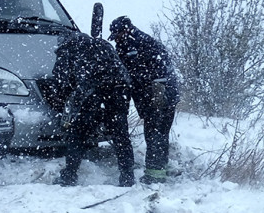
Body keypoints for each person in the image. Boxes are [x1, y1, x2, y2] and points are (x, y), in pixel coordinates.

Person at [48, 31, 134, 187]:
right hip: (120, 90)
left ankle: (69, 175)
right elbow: (121, 71)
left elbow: (62, 80)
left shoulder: (67, 49)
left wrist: (61, 100)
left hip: (95, 91)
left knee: (78, 133)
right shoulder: (103, 44)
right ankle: (128, 176)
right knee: (120, 134)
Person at [109, 16, 180, 184]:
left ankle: (154, 175)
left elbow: (138, 74)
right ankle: (161, 167)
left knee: (154, 132)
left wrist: (155, 95)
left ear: (125, 31)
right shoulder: (137, 42)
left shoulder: (136, 44)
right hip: (165, 95)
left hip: (159, 96)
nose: (116, 40)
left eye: (117, 36)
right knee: (160, 132)